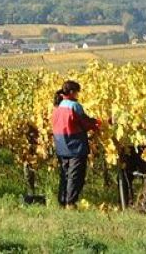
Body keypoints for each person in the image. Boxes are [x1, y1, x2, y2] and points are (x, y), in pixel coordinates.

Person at [51, 80, 101, 208]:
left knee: (65, 174)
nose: (78, 95)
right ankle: (70, 203)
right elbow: (85, 122)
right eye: (77, 92)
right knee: (75, 175)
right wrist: (98, 123)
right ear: (72, 92)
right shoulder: (74, 106)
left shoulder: (57, 106)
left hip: (61, 145)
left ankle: (62, 201)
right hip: (75, 145)